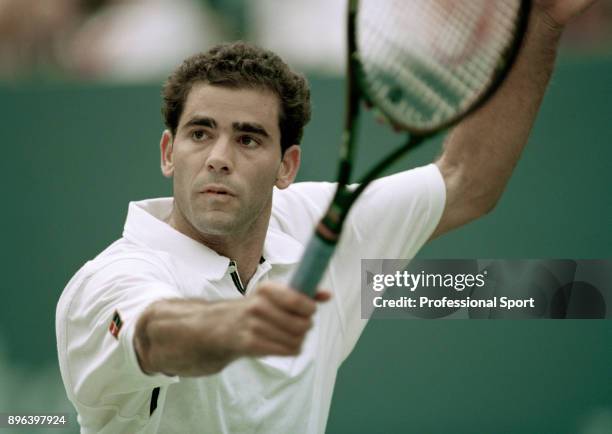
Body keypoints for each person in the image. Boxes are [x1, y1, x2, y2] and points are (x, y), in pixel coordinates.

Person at [55, 1, 596, 432]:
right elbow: (154, 336)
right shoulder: (109, 281)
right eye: (200, 133)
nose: (219, 155)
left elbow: (465, 181)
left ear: (286, 165)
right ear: (169, 152)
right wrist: (239, 326)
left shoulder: (316, 221)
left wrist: (543, 20)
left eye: (248, 137)